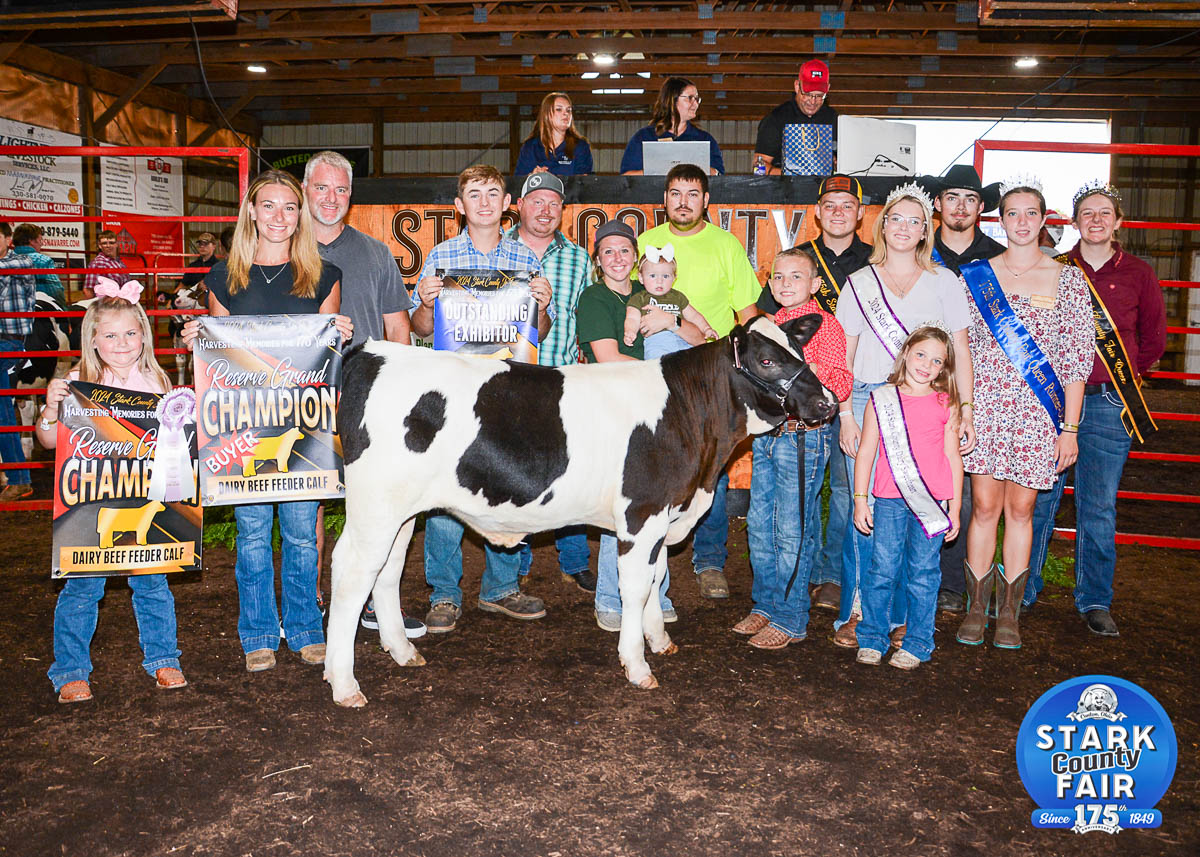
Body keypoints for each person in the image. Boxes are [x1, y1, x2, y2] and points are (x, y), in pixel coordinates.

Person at [182, 169, 353, 672]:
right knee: (253, 535)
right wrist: (199, 339)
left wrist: (338, 334)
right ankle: (257, 632)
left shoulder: (324, 276)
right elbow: (219, 360)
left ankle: (305, 628)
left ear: (300, 216)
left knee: (301, 534)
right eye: (270, 206)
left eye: (290, 207)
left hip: (303, 429)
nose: (280, 216)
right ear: (252, 213)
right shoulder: (223, 278)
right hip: (245, 430)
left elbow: (326, 357)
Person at [834, 182, 975, 650]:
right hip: (867, 398)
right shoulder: (859, 283)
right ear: (882, 225)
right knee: (865, 508)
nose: (904, 227)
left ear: (925, 231)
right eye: (896, 218)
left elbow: (960, 350)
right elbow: (845, 354)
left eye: (915, 221)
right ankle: (859, 613)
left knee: (913, 505)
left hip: (926, 403)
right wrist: (845, 413)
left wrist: (966, 409)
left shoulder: (945, 281)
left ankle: (902, 618)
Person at [412, 165, 551, 633]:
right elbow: (421, 329)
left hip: (508, 396)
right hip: (453, 396)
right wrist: (425, 302)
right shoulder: (441, 256)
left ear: (507, 202)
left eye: (493, 193)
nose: (485, 202)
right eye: (475, 194)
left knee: (507, 484)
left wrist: (542, 305)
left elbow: (537, 332)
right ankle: (444, 593)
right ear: (460, 205)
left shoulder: (524, 257)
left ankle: (501, 588)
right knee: (445, 494)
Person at [1025, 181, 1166, 637]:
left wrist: (1120, 375)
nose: (1096, 220)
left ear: (1118, 222)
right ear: (1074, 222)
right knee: (1039, 500)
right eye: (1087, 213)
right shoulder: (1054, 269)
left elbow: (1154, 339)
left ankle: (1094, 600)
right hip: (1052, 403)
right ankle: (1023, 589)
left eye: (1105, 212)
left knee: (1099, 507)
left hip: (1109, 403)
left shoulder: (1139, 273)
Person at [957, 180, 1093, 651]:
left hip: (1038, 416)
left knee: (1021, 510)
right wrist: (965, 410)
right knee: (984, 508)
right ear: (1000, 220)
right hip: (986, 410)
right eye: (1012, 213)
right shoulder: (976, 276)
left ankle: (1009, 612)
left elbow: (1076, 361)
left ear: (1043, 219)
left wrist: (1069, 428)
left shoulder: (1068, 279)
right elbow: (962, 350)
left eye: (1030, 213)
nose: (1021, 221)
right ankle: (977, 606)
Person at [38, 280, 187, 702]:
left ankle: (164, 659)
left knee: (154, 583)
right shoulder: (76, 381)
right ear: (93, 340)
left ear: (144, 335)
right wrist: (50, 408)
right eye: (110, 335)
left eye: (130, 333)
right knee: (82, 589)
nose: (121, 343)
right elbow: (47, 441)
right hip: (90, 502)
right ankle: (70, 670)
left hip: (142, 495)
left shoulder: (158, 383)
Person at [301, 149, 426, 639]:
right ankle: (310, 605)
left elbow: (399, 328)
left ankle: (377, 601)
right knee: (307, 503)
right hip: (303, 396)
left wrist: (404, 396)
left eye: (341, 189)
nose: (331, 198)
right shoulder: (282, 250)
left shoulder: (375, 253)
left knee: (381, 503)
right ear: (305, 190)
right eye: (321, 187)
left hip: (371, 401)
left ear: (351, 195)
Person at [638, 164, 762, 598]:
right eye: (676, 193)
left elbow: (748, 314)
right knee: (653, 463)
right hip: (654, 376)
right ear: (664, 199)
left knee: (713, 465)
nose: (684, 202)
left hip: (712, 377)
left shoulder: (726, 245)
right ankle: (648, 554)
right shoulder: (646, 243)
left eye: (693, 194)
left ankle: (709, 560)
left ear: (706, 200)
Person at [758, 174, 873, 613]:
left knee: (844, 492)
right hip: (784, 420)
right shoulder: (799, 260)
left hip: (850, 394)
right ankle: (786, 590)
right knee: (785, 513)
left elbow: (839, 371)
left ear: (860, 213)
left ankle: (831, 578)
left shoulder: (874, 261)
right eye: (830, 204)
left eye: (847, 204)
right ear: (818, 212)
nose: (838, 211)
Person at [737, 247, 851, 649]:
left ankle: (790, 617)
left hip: (803, 436)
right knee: (759, 524)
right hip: (767, 434)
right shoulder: (765, 327)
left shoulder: (825, 326)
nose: (786, 283)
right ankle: (766, 604)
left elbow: (842, 383)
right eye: (779, 277)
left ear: (815, 284)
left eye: (796, 276)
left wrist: (808, 370)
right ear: (770, 284)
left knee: (791, 527)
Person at [575, 219, 676, 630]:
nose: (617, 258)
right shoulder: (595, 297)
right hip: (613, 411)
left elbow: (697, 335)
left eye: (624, 250)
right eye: (608, 252)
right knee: (622, 502)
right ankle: (610, 597)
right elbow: (607, 358)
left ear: (636, 258)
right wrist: (670, 375)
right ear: (598, 261)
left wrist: (672, 322)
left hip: (655, 411)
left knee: (657, 503)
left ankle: (656, 594)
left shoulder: (651, 290)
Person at [504, 171, 597, 591]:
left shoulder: (578, 259)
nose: (545, 210)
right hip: (510, 380)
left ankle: (574, 559)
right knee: (515, 468)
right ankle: (516, 559)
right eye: (536, 201)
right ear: (519, 206)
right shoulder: (498, 251)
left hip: (563, 379)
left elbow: (587, 315)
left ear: (563, 210)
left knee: (570, 469)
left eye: (553, 203)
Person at [852, 325, 963, 670]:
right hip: (888, 499)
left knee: (923, 574)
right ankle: (872, 637)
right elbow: (866, 451)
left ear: (943, 369)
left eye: (936, 361)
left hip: (933, 503)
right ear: (905, 353)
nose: (926, 365)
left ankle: (918, 642)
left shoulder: (946, 402)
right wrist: (860, 499)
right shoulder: (881, 399)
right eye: (921, 355)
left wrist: (955, 509)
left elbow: (953, 457)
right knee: (882, 570)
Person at [924, 165, 1004, 614]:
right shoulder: (917, 249)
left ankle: (953, 584)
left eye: (970, 198)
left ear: (981, 207)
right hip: (921, 378)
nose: (960, 206)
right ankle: (916, 576)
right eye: (952, 197)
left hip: (979, 384)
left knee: (967, 487)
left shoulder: (998, 259)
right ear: (937, 203)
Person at [622, 244, 716, 358]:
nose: (659, 281)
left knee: (695, 362)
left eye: (665, 276)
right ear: (641, 278)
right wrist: (630, 332)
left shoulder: (678, 296)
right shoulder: (639, 298)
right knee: (659, 365)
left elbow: (694, 316)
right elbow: (632, 318)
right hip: (658, 343)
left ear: (674, 278)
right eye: (653, 276)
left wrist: (706, 329)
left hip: (684, 340)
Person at [619, 78, 724, 176]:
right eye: (690, 98)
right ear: (672, 100)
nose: (696, 104)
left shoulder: (704, 139)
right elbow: (626, 176)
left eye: (697, 99)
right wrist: (657, 171)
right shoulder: (644, 137)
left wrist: (693, 169)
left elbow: (719, 175)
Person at [0, 222, 37, 502]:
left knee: (2, 413)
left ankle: (19, 478)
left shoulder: (20, 262)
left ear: (8, 238)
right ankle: (18, 478)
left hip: (8, 341)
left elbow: (18, 265)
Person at [752, 59, 838, 176]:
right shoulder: (776, 119)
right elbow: (757, 168)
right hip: (785, 186)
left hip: (822, 186)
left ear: (828, 89)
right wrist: (789, 175)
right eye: (808, 94)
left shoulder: (834, 119)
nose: (813, 101)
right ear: (797, 86)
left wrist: (838, 163)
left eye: (819, 96)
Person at [166, 232, 219, 385]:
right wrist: (171, 300)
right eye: (200, 243)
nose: (202, 246)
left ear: (214, 246)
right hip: (191, 309)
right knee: (179, 330)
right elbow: (182, 285)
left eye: (206, 243)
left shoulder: (218, 267)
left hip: (209, 309)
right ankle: (185, 381)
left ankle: (204, 380)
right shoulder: (193, 266)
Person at [515, 92, 593, 176]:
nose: (566, 113)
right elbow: (519, 180)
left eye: (568, 110)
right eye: (559, 109)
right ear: (546, 114)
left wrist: (552, 179)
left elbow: (583, 180)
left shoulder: (580, 146)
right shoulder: (530, 147)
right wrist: (532, 176)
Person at [10, 223, 65, 303]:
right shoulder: (43, 261)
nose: (41, 243)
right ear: (31, 241)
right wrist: (63, 307)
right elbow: (56, 290)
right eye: (40, 240)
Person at [83, 230, 131, 299]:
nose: (108, 246)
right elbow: (89, 290)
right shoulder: (97, 263)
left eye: (111, 243)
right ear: (100, 246)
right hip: (106, 303)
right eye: (104, 243)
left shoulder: (120, 263)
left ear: (116, 244)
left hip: (123, 301)